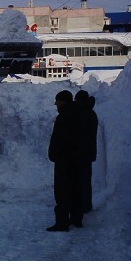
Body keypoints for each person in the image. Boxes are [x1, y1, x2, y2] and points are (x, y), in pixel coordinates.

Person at [47, 90, 84, 231]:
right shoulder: (80, 114)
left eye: (58, 100)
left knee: (62, 192)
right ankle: (76, 218)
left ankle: (62, 222)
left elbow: (59, 139)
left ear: (63, 101)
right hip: (77, 159)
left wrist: (53, 154)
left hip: (64, 160)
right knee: (75, 189)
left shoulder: (64, 117)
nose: (56, 103)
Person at [75, 90, 98, 213]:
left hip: (81, 152)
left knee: (81, 181)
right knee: (85, 180)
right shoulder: (91, 112)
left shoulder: (84, 114)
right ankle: (86, 204)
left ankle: (84, 205)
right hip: (88, 152)